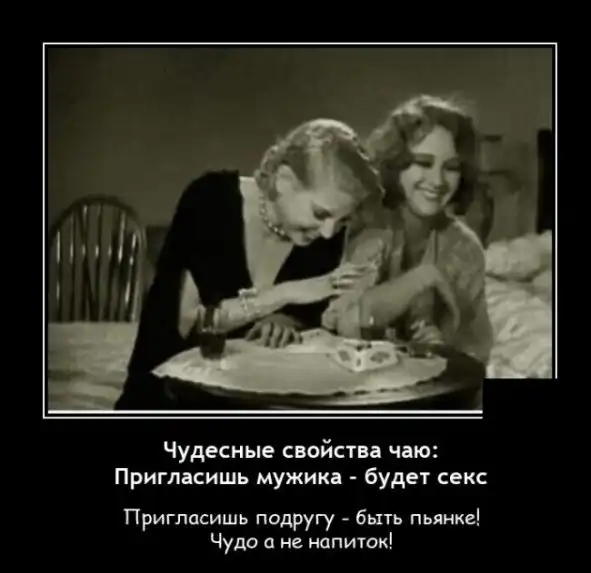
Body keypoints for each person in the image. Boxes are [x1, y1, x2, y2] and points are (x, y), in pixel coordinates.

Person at [114, 119, 384, 409]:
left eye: (342, 220)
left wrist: (286, 322)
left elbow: (305, 322)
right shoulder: (209, 200)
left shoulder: (324, 235)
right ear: (284, 181)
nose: (329, 232)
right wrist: (282, 295)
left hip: (255, 402)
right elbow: (186, 326)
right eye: (320, 213)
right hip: (168, 397)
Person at [323, 95, 493, 368]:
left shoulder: (465, 248)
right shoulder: (370, 226)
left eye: (451, 168)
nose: (437, 181)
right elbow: (349, 325)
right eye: (424, 163)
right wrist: (422, 278)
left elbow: (475, 352)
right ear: (397, 163)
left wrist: (442, 347)